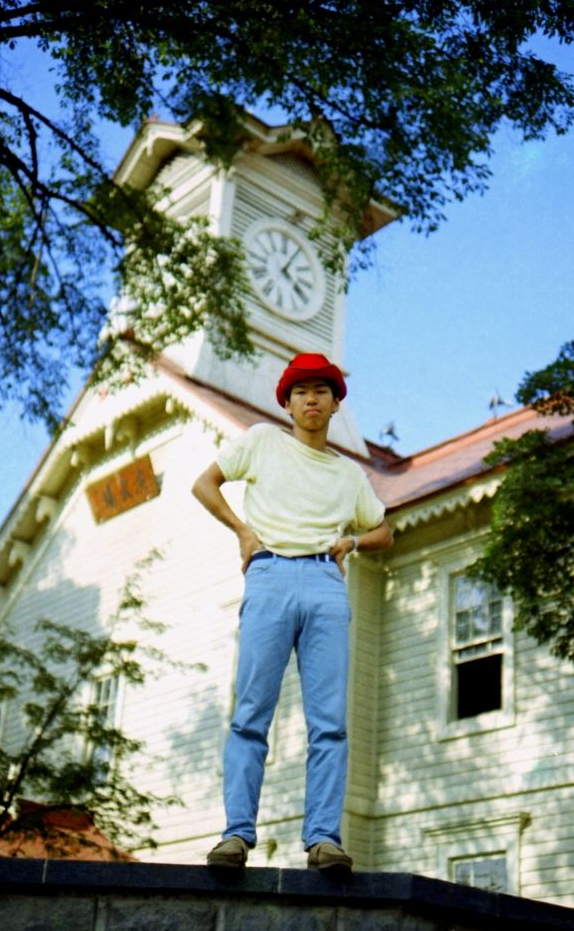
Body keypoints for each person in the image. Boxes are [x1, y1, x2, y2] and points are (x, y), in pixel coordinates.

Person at [192, 353, 393, 874]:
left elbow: (384, 530)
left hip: (326, 582)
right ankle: (236, 835)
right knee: (250, 712)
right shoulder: (261, 441)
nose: (311, 399)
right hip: (270, 574)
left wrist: (351, 541)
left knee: (330, 722)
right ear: (287, 401)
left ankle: (323, 839)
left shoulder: (348, 474)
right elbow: (204, 484)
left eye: (321, 391)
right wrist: (242, 531)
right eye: (300, 391)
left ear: (333, 404)